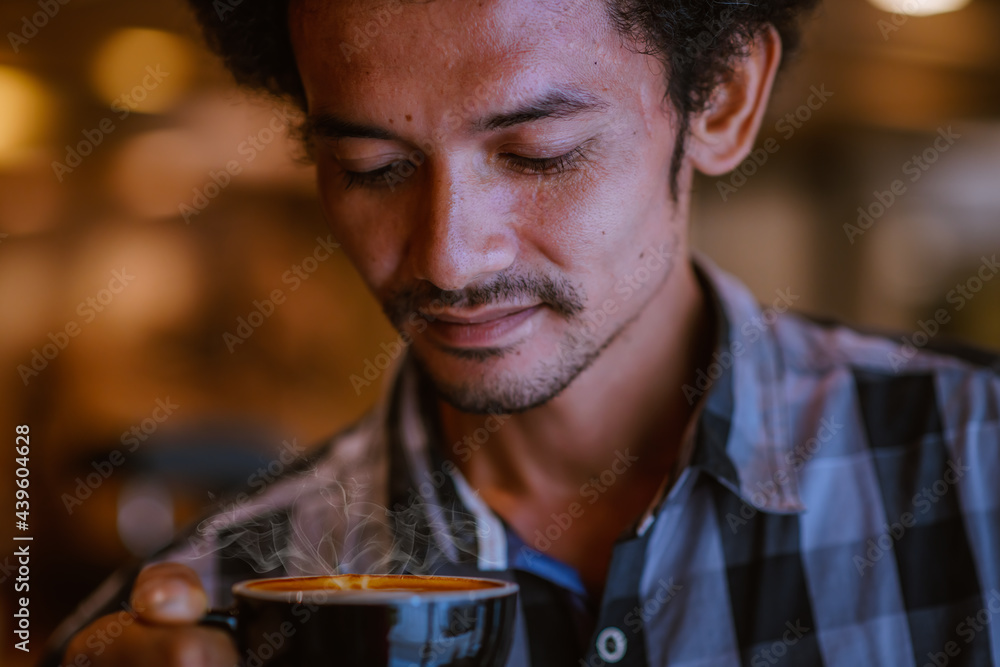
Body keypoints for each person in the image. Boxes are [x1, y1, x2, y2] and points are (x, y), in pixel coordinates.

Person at [49, 0, 1000, 665]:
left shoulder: (978, 463)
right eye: (373, 166)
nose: (450, 259)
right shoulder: (202, 608)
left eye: (537, 153)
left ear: (721, 99)